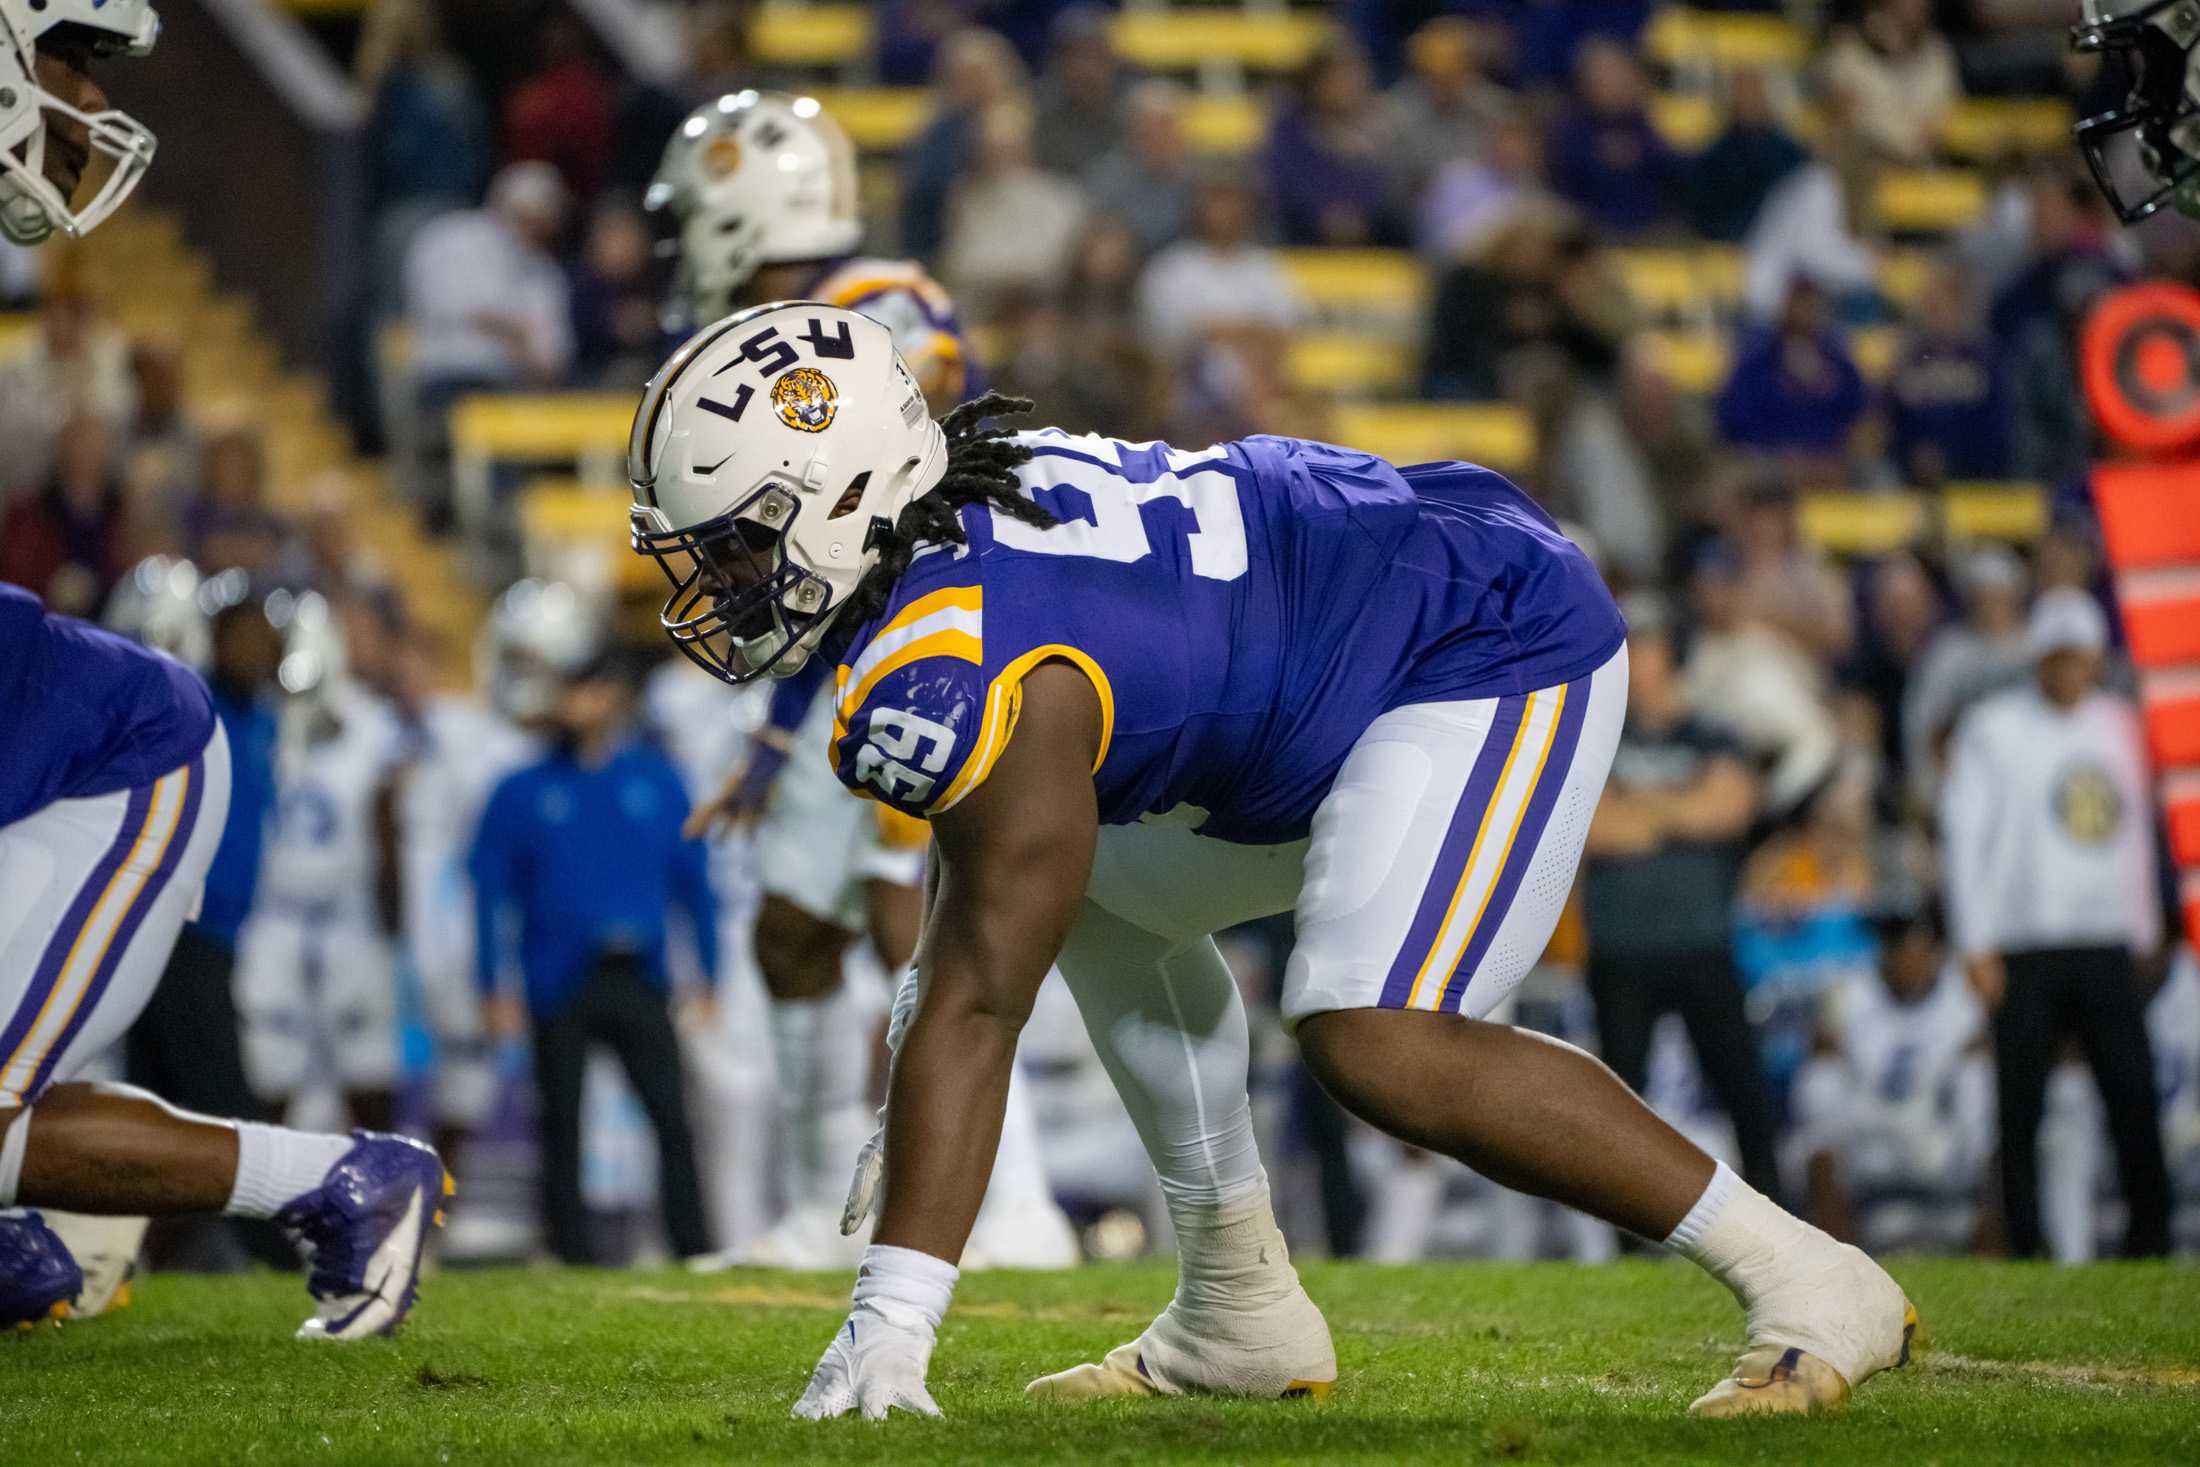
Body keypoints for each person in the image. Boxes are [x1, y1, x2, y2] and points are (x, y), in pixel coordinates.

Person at [625, 302, 1918, 1420]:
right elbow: (1002, 879)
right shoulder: (952, 510)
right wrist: (927, 1014)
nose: (721, 585)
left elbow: (978, 983)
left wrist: (892, 1315)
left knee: (1381, 1035)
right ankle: (1238, 1307)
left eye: (740, 541)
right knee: (1100, 904)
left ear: (846, 496)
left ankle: (1809, 1275)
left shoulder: (960, 652)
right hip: (1330, 640)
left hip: (1476, 635)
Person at [0, 0, 448, 1341]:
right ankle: (33, 1251)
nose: (83, 105)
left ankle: (344, 1177)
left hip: (98, 754)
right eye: (69, 63)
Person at [648, 91, 1077, 1270]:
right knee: (790, 932)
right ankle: (809, 1211)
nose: (682, 247)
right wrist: (778, 732)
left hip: (932, 649)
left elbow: (878, 525)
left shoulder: (875, 309)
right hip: (837, 667)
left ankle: (1021, 1209)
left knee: (925, 927)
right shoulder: (782, 325)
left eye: (692, 219)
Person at [1939, 588, 2171, 1258]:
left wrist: (2146, 924)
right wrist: (1975, 939)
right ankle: (2024, 1239)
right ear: (2039, 656)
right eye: (2059, 657)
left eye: (2081, 657)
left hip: (2106, 938)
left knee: (2132, 1093)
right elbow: (1964, 833)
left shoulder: (2123, 724)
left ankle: (2149, 1237)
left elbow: (2139, 834)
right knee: (2022, 1105)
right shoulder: (1993, 725)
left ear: (2096, 657)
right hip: (2024, 940)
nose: (2070, 671)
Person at [469, 643, 717, 1267]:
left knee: (671, 1118)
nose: (573, 702)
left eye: (585, 686)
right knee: (561, 1121)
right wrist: (491, 986)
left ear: (612, 695)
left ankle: (692, 1245)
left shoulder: (657, 781)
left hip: (638, 971)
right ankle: (566, 1247)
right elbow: (487, 895)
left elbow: (695, 885)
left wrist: (707, 974)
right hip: (559, 977)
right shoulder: (521, 789)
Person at [1581, 600, 1784, 1202]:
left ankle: (1778, 1211)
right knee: (1619, 1103)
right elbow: (1589, 827)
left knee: (1745, 1094)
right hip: (1620, 946)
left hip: (1702, 941)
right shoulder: (1595, 736)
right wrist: (1682, 804)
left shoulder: (1713, 730)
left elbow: (1730, 810)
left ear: (1672, 655)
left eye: (1647, 646)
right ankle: (1627, 1237)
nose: (1637, 661)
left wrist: (1638, 809)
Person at [1792, 908, 1993, 1255]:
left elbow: (1981, 1052)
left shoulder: (1962, 992)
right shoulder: (1850, 989)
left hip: (1938, 1129)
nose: (1903, 957)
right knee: (1819, 1083)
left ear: (1934, 952)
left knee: (1980, 1081)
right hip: (1873, 1127)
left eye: (1913, 946)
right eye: (1894, 946)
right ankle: (1830, 1254)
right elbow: (1822, 1050)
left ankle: (1993, 1246)